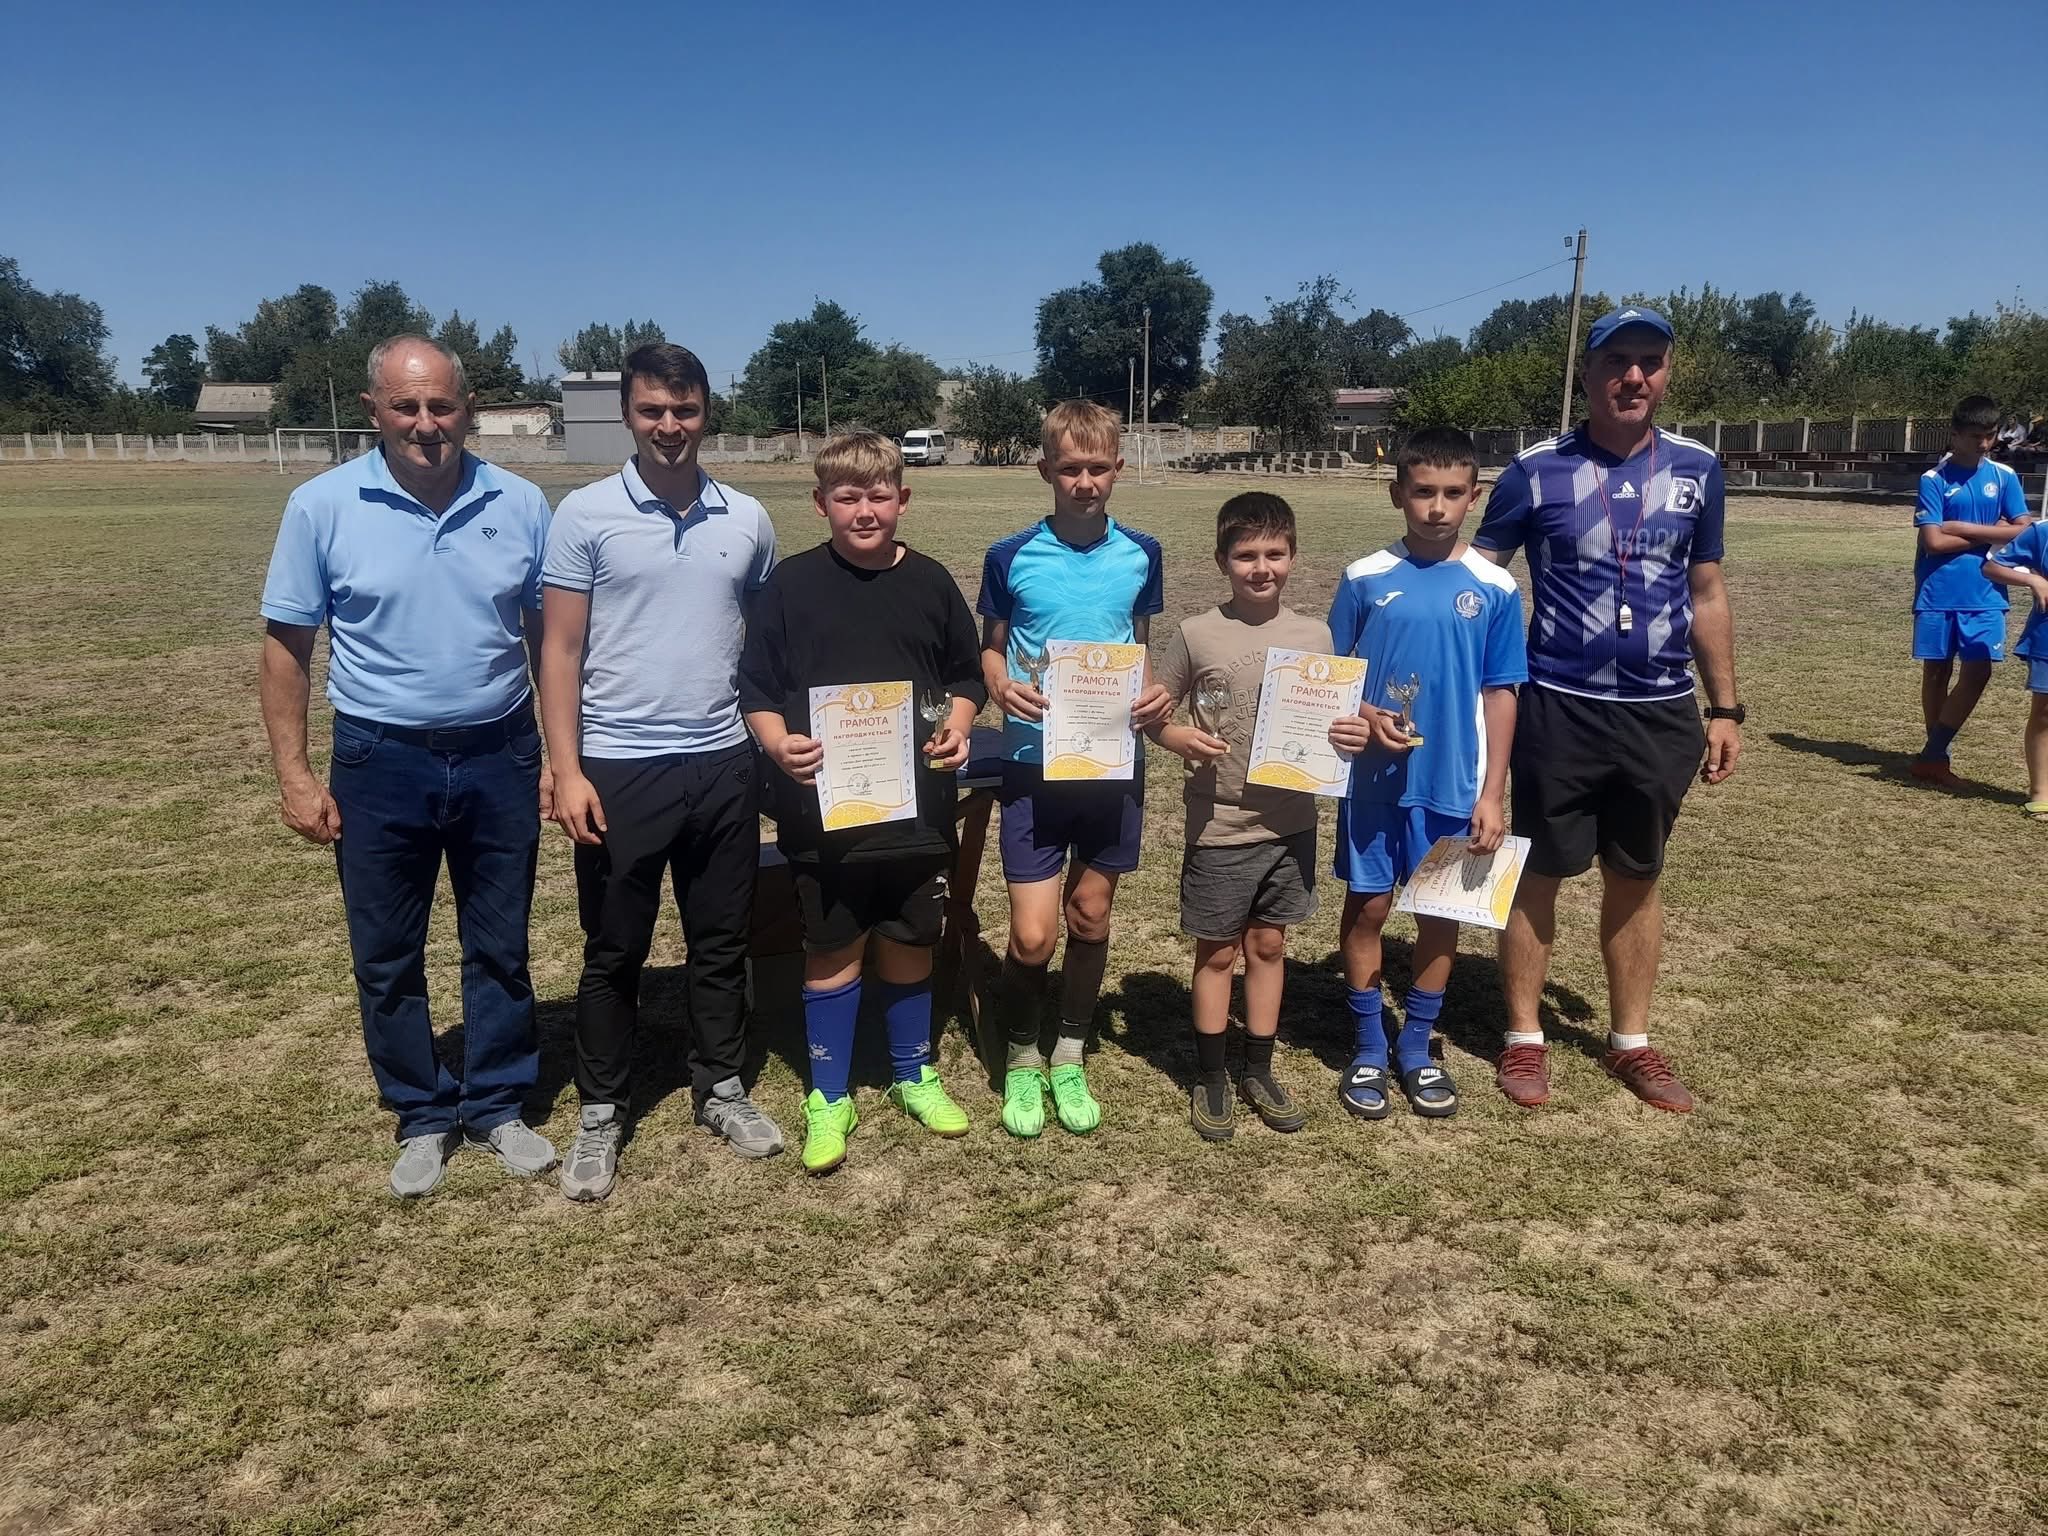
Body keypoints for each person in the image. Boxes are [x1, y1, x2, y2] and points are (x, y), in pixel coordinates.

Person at [258, 334, 558, 1198]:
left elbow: (549, 639)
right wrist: (295, 775)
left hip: (500, 751)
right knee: (387, 952)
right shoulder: (322, 505)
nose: (426, 424)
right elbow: (286, 648)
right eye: (406, 406)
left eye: (442, 405)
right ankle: (422, 1111)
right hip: (379, 760)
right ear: (374, 411)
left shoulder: (520, 501)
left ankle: (496, 1102)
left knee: (499, 944)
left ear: (468, 409)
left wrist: (555, 756)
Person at [1473, 305, 1744, 1114]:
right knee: (1539, 871)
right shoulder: (1536, 471)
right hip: (1559, 707)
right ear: (1587, 373)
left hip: (1661, 711)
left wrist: (1725, 708)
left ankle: (1631, 1042)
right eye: (1617, 361)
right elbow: (1479, 582)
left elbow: (1706, 591)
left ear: (1667, 373)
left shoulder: (1699, 468)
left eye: (1649, 361)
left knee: (1637, 873)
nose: (1633, 376)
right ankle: (1524, 1036)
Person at [540, 342, 785, 1201]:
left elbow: (765, 643)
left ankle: (720, 1086)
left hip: (723, 762)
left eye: (684, 411)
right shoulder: (584, 514)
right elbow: (559, 650)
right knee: (615, 949)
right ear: (627, 416)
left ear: (706, 413)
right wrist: (566, 768)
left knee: (721, 941)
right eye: (652, 411)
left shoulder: (746, 518)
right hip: (619, 767)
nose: (669, 426)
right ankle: (602, 1110)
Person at [739, 432, 986, 1174]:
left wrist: (959, 726)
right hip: (826, 817)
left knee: (911, 940)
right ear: (822, 504)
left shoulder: (932, 582)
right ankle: (828, 1094)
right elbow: (756, 688)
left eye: (880, 495)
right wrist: (778, 744)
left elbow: (966, 677)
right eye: (848, 497)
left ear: (902, 499)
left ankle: (915, 1073)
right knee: (831, 949)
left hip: (915, 813)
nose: (866, 510)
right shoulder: (790, 586)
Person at [977, 400, 1172, 1138]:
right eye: (1070, 469)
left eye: (1097, 468)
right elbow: (992, 646)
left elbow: (1137, 640)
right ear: (1045, 471)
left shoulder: (1143, 553)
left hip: (1112, 760)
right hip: (1034, 761)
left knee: (1090, 914)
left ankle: (1067, 1051)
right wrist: (999, 684)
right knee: (1033, 936)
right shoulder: (1009, 556)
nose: (1084, 482)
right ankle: (1022, 1054)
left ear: (1117, 469)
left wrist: (1149, 695)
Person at [1327, 429, 1525, 1121]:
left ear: (1475, 497)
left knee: (1440, 914)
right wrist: (1365, 712)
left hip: (1453, 784)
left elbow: (1501, 691)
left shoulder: (1495, 588)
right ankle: (1367, 1046)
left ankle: (1416, 1045)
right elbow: (1330, 677)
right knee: (1369, 907)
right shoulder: (1363, 576)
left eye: (1452, 493)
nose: (1437, 507)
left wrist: (1492, 792)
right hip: (1373, 783)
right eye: (1422, 492)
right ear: (1397, 494)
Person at [1150, 492, 1335, 1140]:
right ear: (1222, 560)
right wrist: (1175, 736)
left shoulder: (1316, 636)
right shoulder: (1197, 633)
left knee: (1269, 945)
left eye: (1274, 554)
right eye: (1246, 555)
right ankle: (1211, 1075)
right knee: (1218, 952)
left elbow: (1332, 720)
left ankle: (1259, 1066)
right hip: (1222, 825)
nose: (1262, 568)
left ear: (1293, 556)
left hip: (1290, 824)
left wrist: (1349, 735)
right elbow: (1154, 713)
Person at [1910, 395, 2033, 786]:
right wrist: (1994, 532)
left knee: (1979, 670)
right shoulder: (1933, 480)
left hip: (1987, 590)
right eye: (1975, 436)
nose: (1984, 443)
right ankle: (1936, 759)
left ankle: (1932, 753)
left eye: (1990, 435)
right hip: (1938, 589)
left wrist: (1963, 528)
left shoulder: (2003, 477)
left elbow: (2025, 529)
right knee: (1937, 672)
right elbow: (1933, 542)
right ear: (1955, 435)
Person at [1982, 518, 2048, 818]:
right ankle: (2041, 792)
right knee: (2044, 712)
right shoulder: (2041, 532)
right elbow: (1992, 567)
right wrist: (2034, 581)